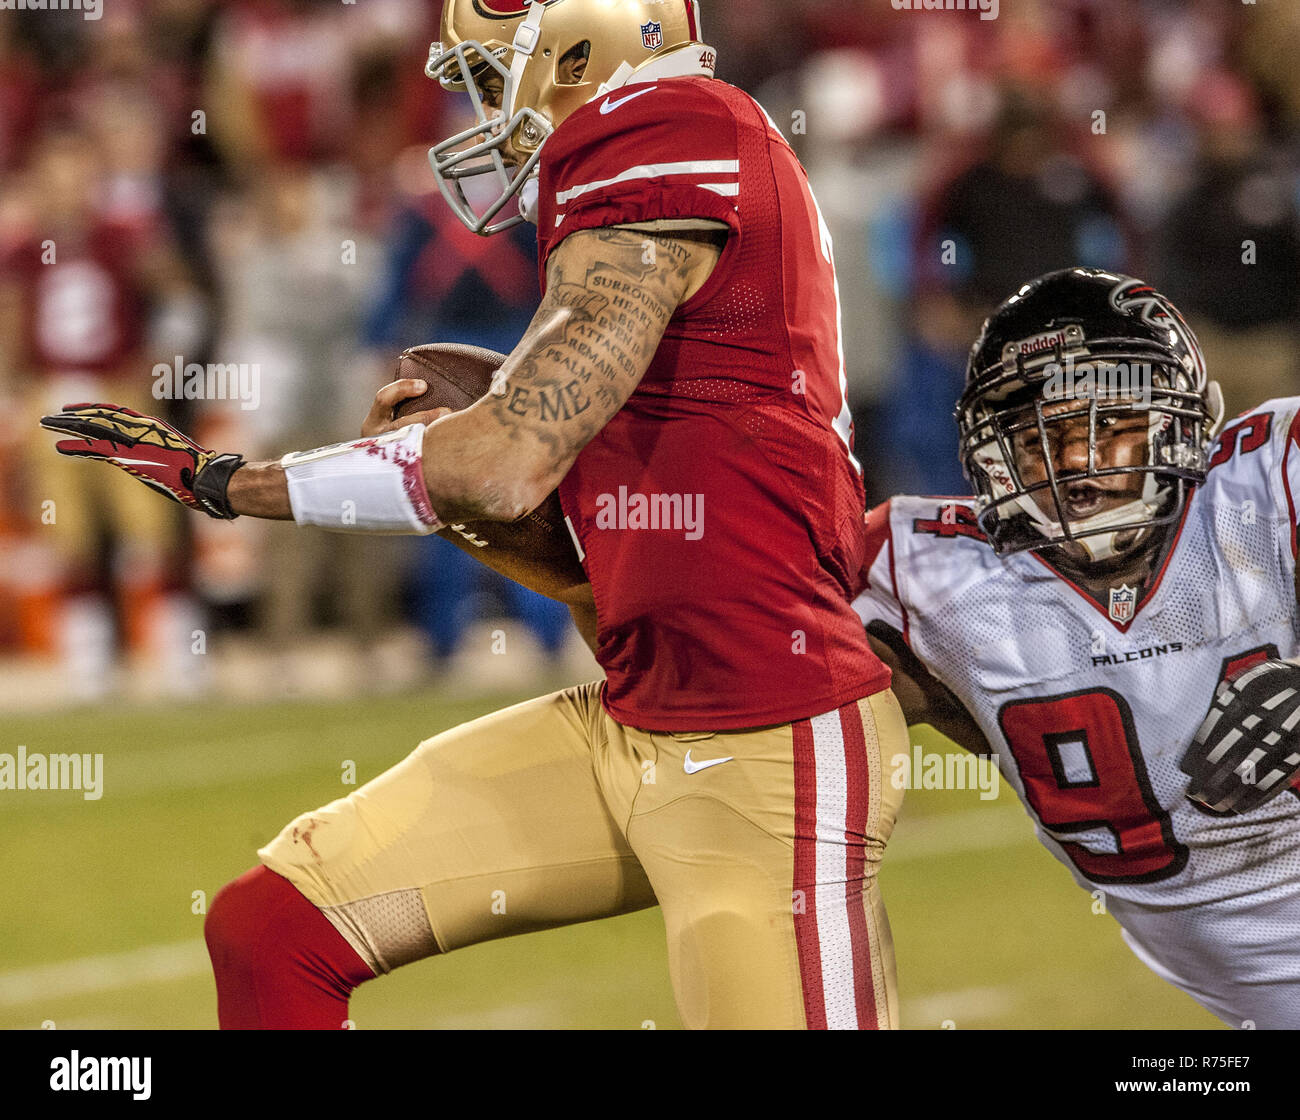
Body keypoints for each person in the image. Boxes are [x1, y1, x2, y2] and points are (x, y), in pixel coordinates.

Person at [42, 0, 904, 1029]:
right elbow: (561, 524)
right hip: (638, 711)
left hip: (767, 742)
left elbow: (503, 463)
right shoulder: (646, 164)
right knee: (271, 931)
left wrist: (228, 484)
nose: (481, 111)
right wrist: (442, 487)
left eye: (494, 78)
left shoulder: (668, 130)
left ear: (583, 46)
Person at [855, 267, 1300, 1029]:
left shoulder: (1271, 481)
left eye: (1109, 426)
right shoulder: (925, 574)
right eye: (1042, 438)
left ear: (1181, 421)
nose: (1079, 465)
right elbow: (733, 646)